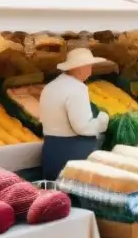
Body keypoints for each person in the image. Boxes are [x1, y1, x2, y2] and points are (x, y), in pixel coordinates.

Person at [39, 47, 110, 181]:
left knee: (54, 196)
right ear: (79, 68)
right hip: (72, 153)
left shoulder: (49, 87)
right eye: (89, 66)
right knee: (73, 197)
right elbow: (83, 127)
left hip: (51, 151)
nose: (91, 69)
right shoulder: (77, 89)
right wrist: (102, 121)